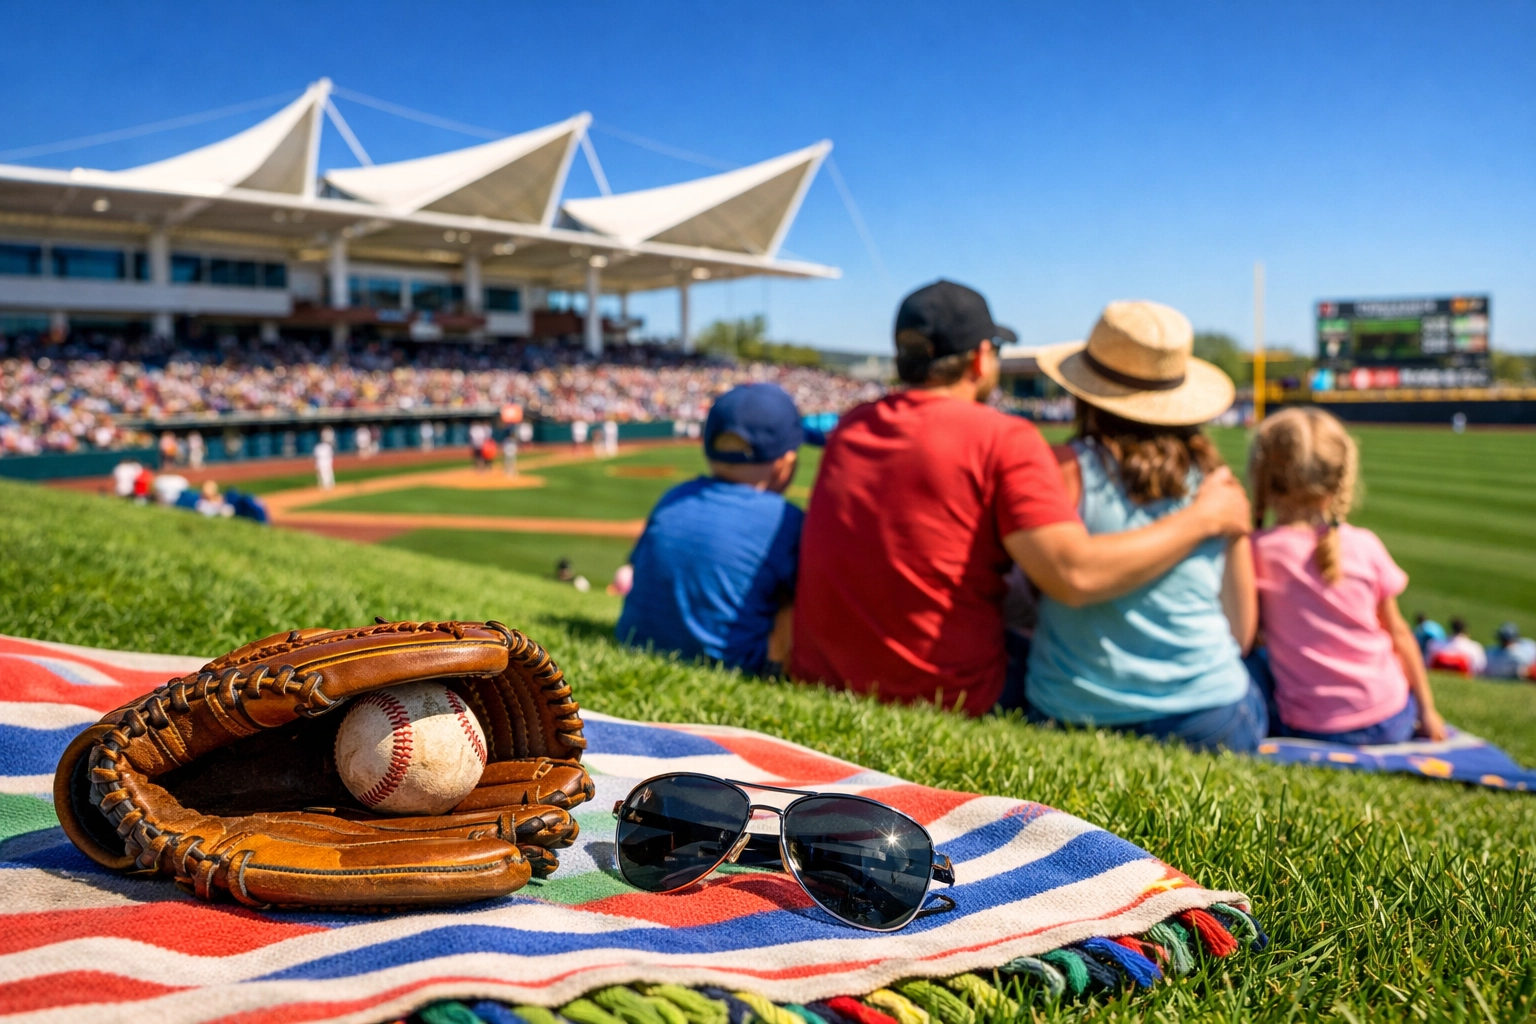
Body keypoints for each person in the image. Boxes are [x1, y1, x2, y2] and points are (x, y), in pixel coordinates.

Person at [791, 281, 1252, 717]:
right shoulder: (1002, 437)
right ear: (981, 358)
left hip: (823, 679)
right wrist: (1203, 518)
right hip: (944, 693)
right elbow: (1073, 575)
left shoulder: (851, 425)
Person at [1023, 300, 1263, 751]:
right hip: (1210, 715)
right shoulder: (1218, 484)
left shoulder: (1060, 468)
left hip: (1070, 708)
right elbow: (1241, 630)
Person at [1248, 407, 1447, 742]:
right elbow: (1399, 633)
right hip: (1389, 719)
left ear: (1264, 478)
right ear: (1339, 481)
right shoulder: (1365, 545)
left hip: (1308, 725)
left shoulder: (1255, 551)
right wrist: (1428, 712)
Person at [616, 383, 806, 676]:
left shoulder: (674, 496)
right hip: (737, 666)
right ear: (785, 465)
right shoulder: (788, 519)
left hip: (634, 645)